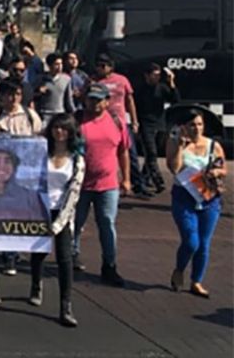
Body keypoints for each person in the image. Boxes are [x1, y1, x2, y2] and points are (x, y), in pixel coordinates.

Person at [72, 83, 130, 287]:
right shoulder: (76, 120)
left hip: (108, 185)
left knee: (107, 223)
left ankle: (109, 266)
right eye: (91, 99)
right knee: (75, 223)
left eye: (98, 99)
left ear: (107, 101)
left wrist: (127, 178)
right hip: (79, 184)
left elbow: (123, 151)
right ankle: (72, 255)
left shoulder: (117, 122)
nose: (94, 103)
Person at [165, 105, 225, 298]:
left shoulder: (212, 145)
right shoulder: (175, 142)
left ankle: (196, 281)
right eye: (192, 125)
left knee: (204, 243)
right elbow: (174, 168)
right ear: (183, 127)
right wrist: (179, 147)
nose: (197, 129)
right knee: (191, 241)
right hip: (184, 197)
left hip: (209, 197)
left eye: (200, 124)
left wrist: (217, 172)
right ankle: (179, 269)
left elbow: (222, 167)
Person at [30, 113, 84, 327]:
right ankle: (36, 285)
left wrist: (59, 223)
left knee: (64, 258)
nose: (59, 132)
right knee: (38, 252)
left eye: (64, 128)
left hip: (62, 212)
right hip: (39, 209)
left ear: (71, 132)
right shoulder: (41, 154)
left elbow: (74, 194)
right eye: (56, 128)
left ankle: (65, 305)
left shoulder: (77, 160)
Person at [93, 54, 142, 197]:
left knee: (129, 153)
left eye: (103, 65)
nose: (100, 68)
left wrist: (134, 120)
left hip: (120, 122)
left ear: (110, 66)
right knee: (107, 155)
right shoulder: (93, 81)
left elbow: (130, 100)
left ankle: (135, 183)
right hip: (102, 123)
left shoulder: (122, 80)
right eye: (98, 65)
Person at [135, 64, 179, 196]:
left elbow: (175, 99)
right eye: (154, 75)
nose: (157, 77)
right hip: (145, 124)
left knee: (153, 154)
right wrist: (135, 122)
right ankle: (158, 182)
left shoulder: (162, 88)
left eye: (159, 75)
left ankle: (143, 179)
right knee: (151, 153)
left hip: (159, 124)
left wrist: (171, 83)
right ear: (147, 76)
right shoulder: (140, 89)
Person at [0, 142, 47, 221]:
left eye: (7, 161)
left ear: (14, 167)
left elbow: (42, 228)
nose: (2, 166)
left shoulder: (30, 198)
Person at [34, 53, 75, 125]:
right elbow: (32, 97)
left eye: (61, 64)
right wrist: (38, 92)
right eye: (56, 64)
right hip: (43, 115)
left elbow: (69, 100)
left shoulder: (66, 79)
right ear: (49, 65)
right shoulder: (40, 79)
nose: (59, 67)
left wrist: (74, 114)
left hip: (59, 115)